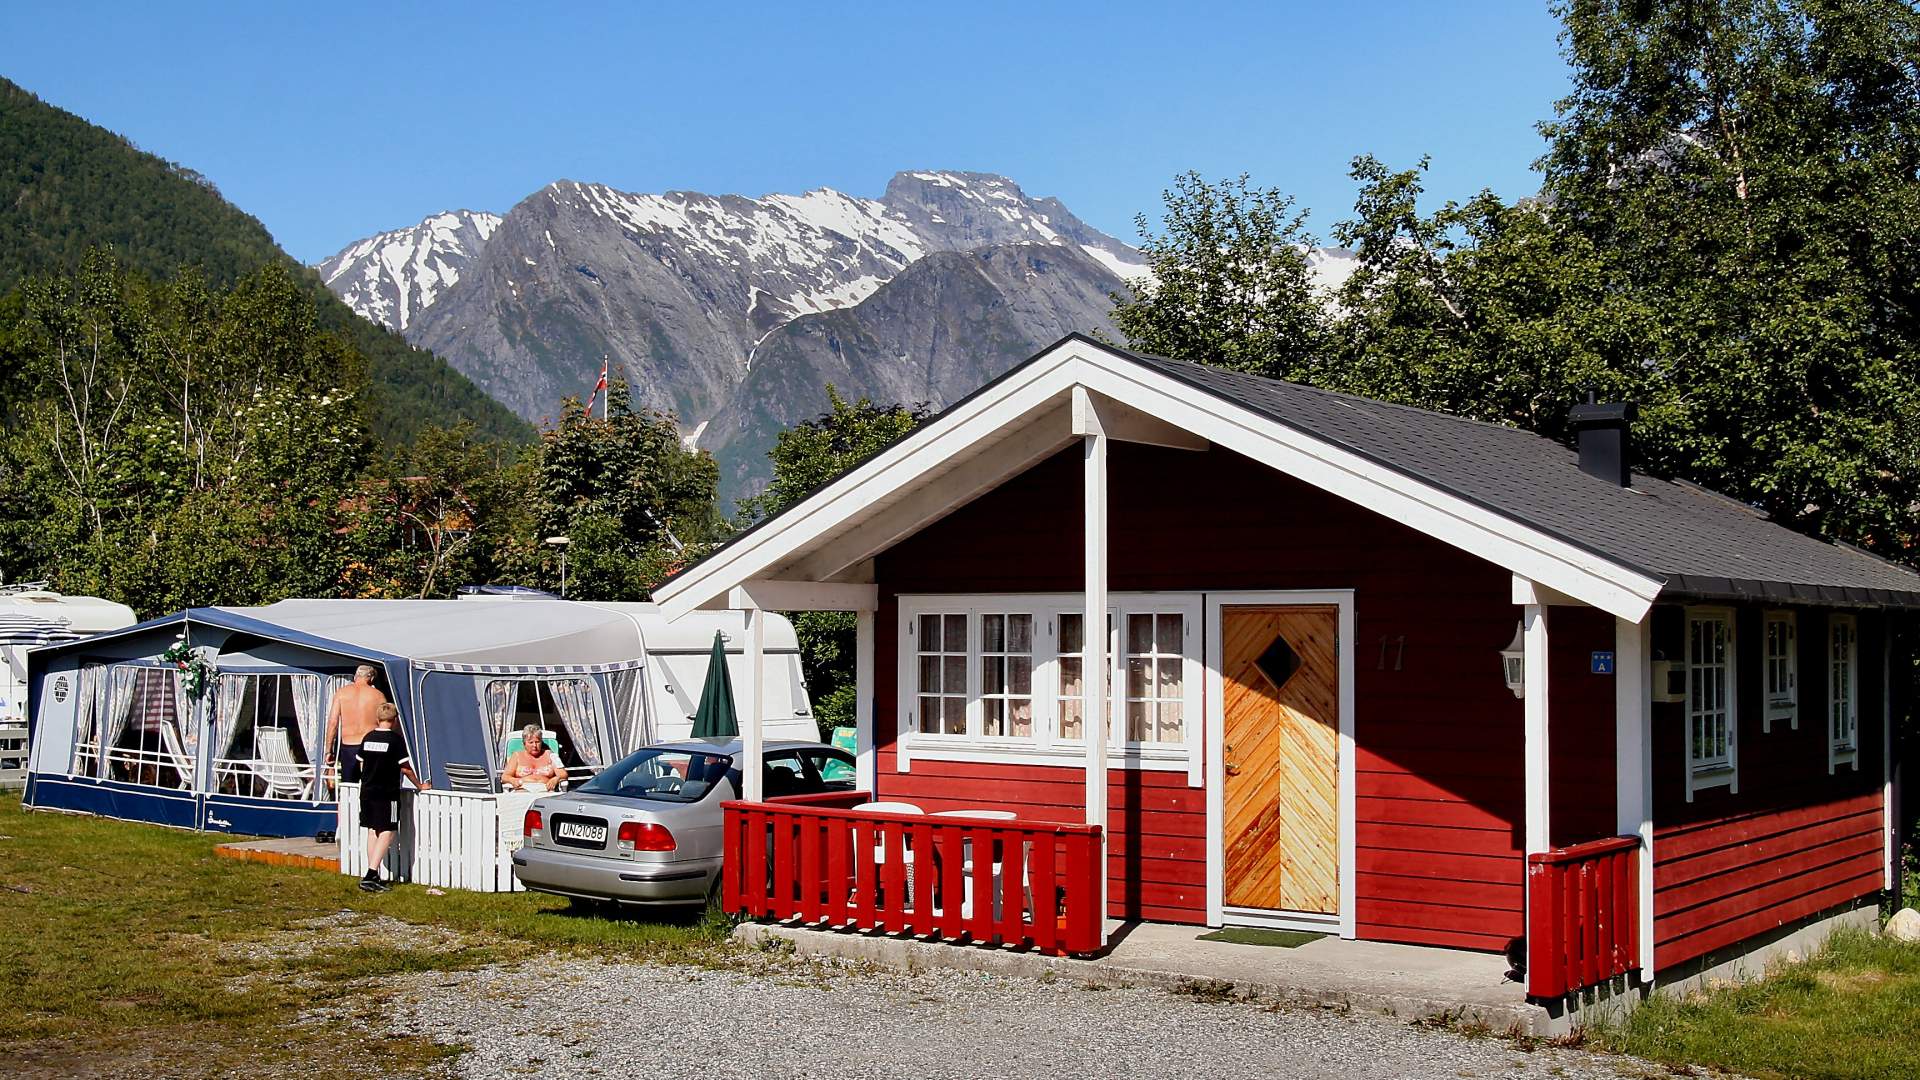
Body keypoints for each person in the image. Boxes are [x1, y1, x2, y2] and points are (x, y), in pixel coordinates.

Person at [357, 702, 428, 892]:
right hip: (386, 792)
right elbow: (405, 768)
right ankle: (371, 874)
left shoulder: (368, 737)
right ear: (395, 720)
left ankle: (372, 872)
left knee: (373, 830)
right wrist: (419, 785)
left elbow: (361, 764)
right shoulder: (395, 741)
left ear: (377, 719)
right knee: (388, 830)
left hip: (367, 790)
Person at [325, 664, 388, 783]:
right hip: (371, 744)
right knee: (370, 784)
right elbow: (387, 722)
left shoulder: (341, 693)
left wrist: (329, 750)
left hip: (349, 745)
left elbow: (333, 722)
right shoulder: (378, 695)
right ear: (372, 678)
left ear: (355, 676)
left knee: (349, 785)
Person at [500, 723, 566, 792]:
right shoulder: (516, 756)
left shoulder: (550, 754)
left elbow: (563, 774)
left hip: (546, 789)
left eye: (537, 742)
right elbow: (505, 776)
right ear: (524, 743)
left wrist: (556, 779)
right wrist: (512, 780)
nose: (534, 745)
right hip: (522, 789)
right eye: (531, 742)